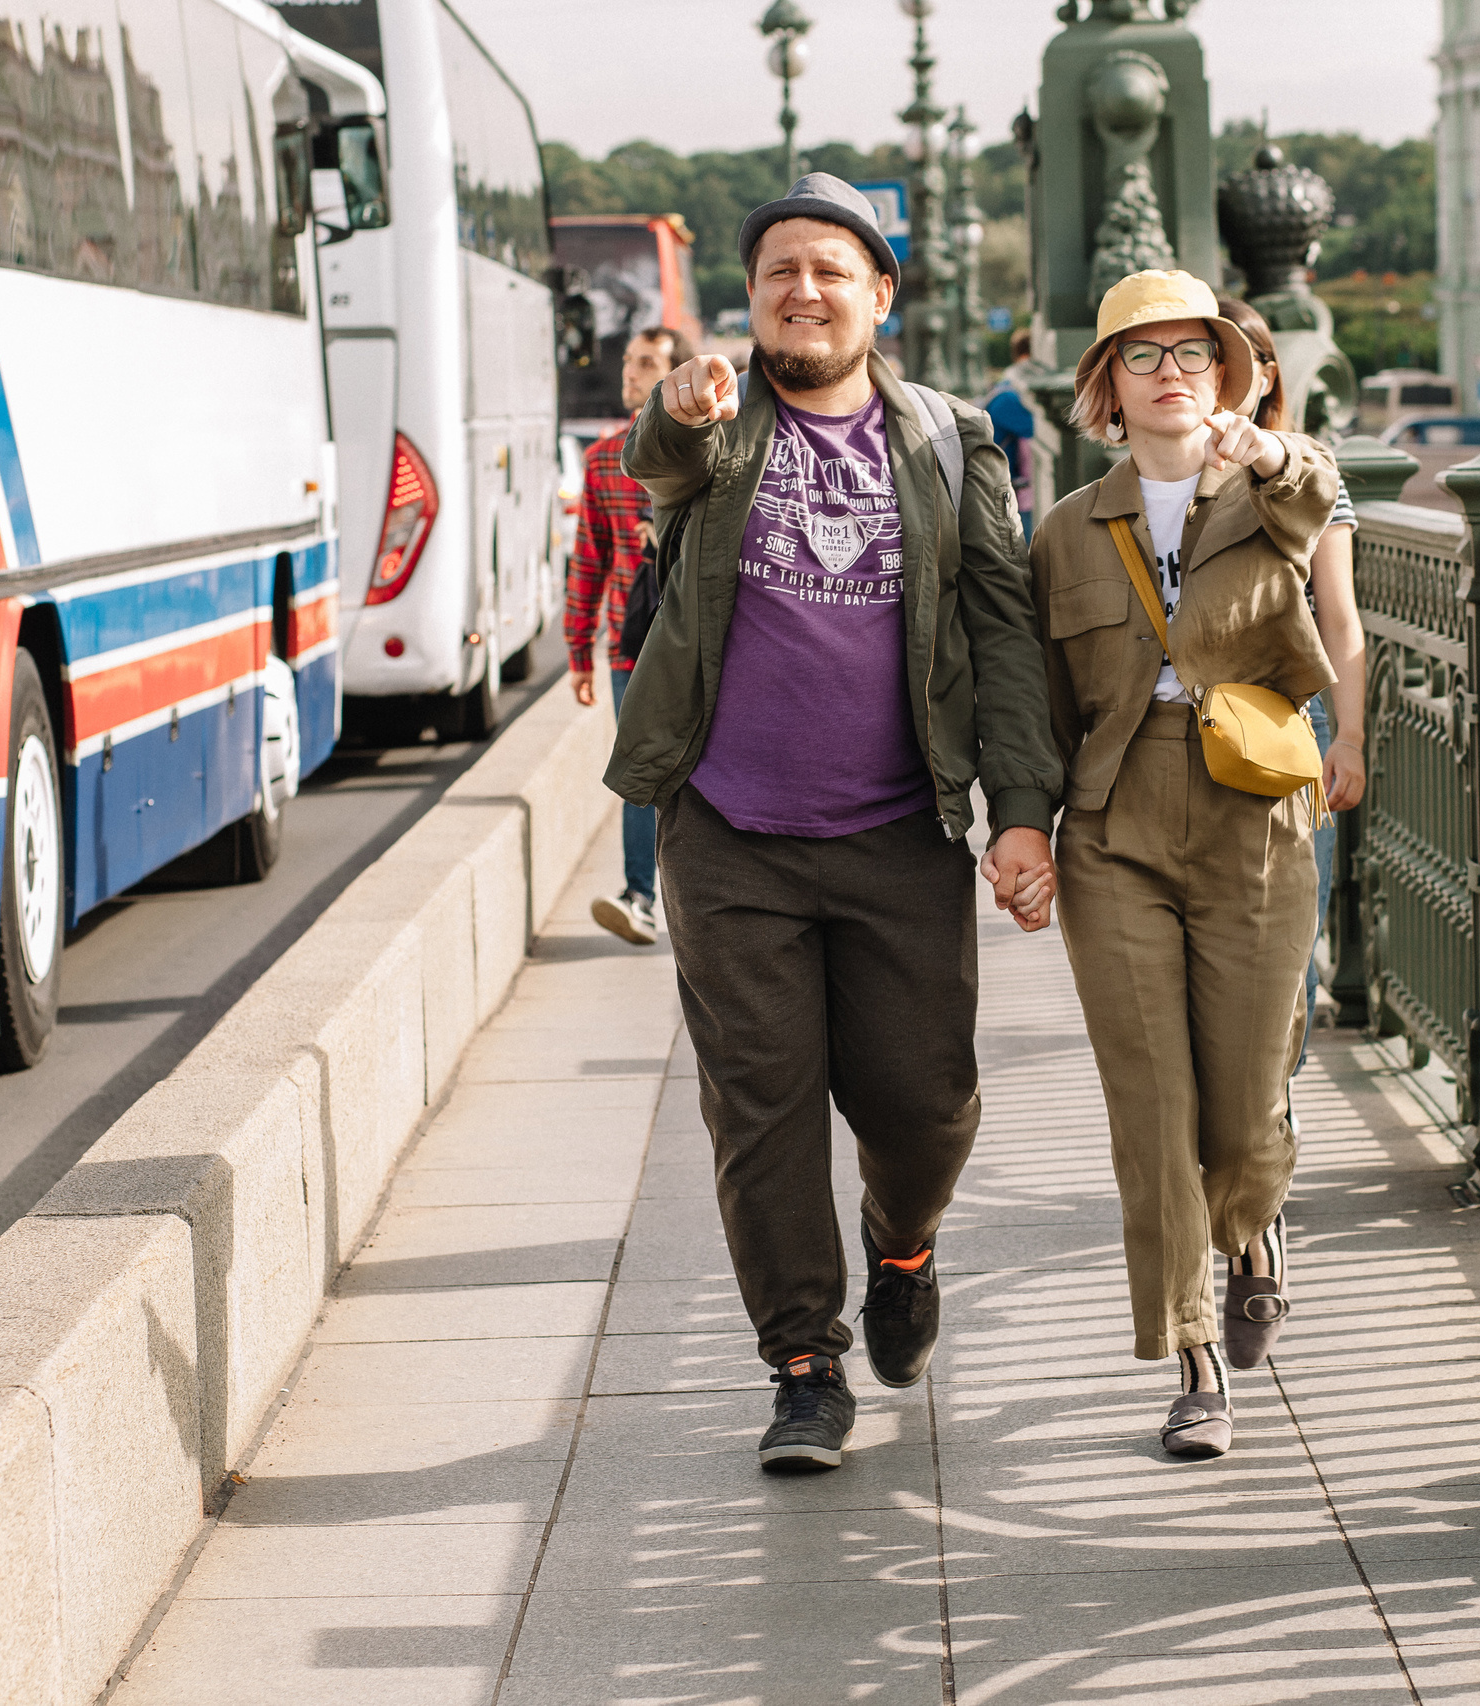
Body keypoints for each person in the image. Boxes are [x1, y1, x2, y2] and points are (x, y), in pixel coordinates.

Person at [608, 173, 1063, 1474]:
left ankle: (904, 1247)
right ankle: (804, 1363)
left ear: (880, 293)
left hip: (900, 833)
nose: (801, 292)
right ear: (751, 305)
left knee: (926, 1105)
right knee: (764, 1110)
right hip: (730, 833)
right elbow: (664, 459)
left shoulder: (948, 437)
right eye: (775, 276)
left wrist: (1021, 812)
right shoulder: (719, 421)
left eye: (828, 270)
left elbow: (1003, 631)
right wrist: (674, 406)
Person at [1030, 270, 1339, 1459]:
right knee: (1152, 1107)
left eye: (1194, 354)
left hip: (1250, 804)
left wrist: (1262, 448)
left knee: (1249, 1100)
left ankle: (1255, 1227)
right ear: (1104, 386)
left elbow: (1315, 490)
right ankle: (1195, 1358)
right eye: (1142, 354)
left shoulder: (1273, 493)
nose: (1171, 372)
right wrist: (1021, 826)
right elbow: (1032, 700)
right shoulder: (1061, 531)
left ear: (1229, 373)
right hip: (1112, 821)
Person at [1217, 296, 1367, 1047]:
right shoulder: (1154, 473)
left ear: (1265, 371)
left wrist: (1351, 738)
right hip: (1181, 724)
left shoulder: (1310, 471)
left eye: (1230, 355)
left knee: (1288, 930)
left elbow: (1338, 617)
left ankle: (1275, 1105)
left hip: (1288, 723)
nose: (1212, 372)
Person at [570, 323, 696, 946]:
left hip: (701, 640)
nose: (630, 372)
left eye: (646, 363)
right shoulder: (601, 460)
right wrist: (577, 651)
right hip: (632, 642)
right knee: (640, 772)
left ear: (675, 374)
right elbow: (587, 562)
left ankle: (688, 895)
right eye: (628, 361)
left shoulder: (709, 449)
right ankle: (640, 897)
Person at [983, 328, 1042, 539]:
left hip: (1009, 491)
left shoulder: (1004, 391)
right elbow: (1039, 429)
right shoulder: (1007, 398)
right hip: (1007, 494)